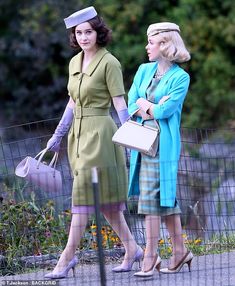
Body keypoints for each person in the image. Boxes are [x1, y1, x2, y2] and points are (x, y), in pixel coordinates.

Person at [44, 6, 143, 279]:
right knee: (107, 203)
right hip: (78, 133)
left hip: (100, 133)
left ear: (98, 33)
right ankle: (132, 248)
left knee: (83, 195)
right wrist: (58, 134)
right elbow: (72, 101)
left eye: (89, 31)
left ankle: (66, 257)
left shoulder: (110, 62)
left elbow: (119, 102)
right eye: (79, 33)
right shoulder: (74, 62)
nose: (84, 37)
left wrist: (131, 134)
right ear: (74, 36)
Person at [127, 22, 193, 277]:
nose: (147, 47)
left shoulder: (181, 77)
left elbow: (166, 111)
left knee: (151, 201)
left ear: (165, 45)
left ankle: (150, 255)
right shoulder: (143, 70)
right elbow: (133, 101)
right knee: (164, 200)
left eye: (151, 42)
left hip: (162, 147)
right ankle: (180, 252)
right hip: (142, 144)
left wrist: (148, 106)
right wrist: (149, 105)